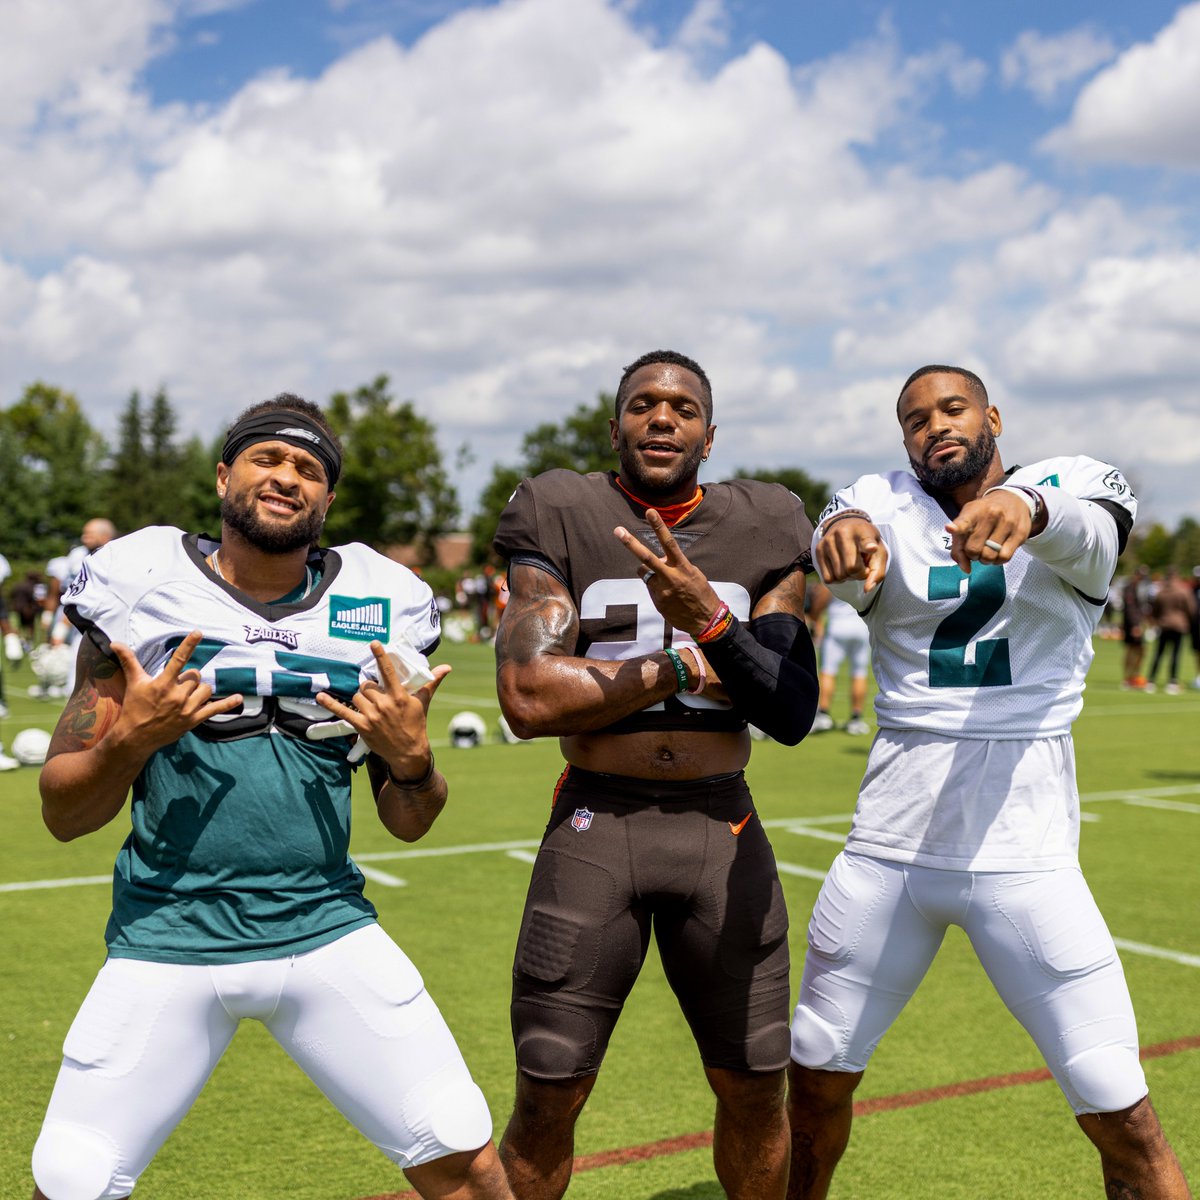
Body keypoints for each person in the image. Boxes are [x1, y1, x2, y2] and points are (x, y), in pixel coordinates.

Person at [30, 395, 512, 1200]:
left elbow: (410, 820)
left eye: (308, 468)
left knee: (460, 1151)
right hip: (167, 932)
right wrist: (131, 740)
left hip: (323, 927)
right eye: (267, 458)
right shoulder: (140, 585)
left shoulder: (381, 601)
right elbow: (63, 812)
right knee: (73, 1179)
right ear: (225, 476)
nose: (286, 477)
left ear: (326, 501)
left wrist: (415, 763)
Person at [787, 365, 1190, 1200]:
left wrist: (1028, 510)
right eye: (914, 418)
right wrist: (841, 527)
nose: (934, 425)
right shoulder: (880, 497)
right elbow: (844, 512)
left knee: (1122, 1112)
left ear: (993, 415)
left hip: (1026, 856)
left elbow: (1090, 526)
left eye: (953, 408)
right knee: (815, 1081)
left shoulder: (1068, 484)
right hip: (887, 850)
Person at [492, 349, 820, 1200]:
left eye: (681, 407)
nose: (661, 418)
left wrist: (708, 620)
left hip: (722, 827)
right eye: (642, 405)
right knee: (551, 1084)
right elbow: (528, 696)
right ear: (615, 427)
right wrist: (684, 664)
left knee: (755, 1081)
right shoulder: (564, 508)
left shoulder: (768, 521)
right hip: (600, 823)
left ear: (711, 433)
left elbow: (788, 707)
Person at [807, 582, 871, 735]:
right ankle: (856, 718)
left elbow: (823, 595)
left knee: (828, 671)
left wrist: (814, 616)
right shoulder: (867, 570)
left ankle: (823, 714)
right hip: (862, 625)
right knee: (859, 672)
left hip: (838, 624)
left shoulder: (838, 568)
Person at [1144, 567, 1196, 695]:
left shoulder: (1162, 592)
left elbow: (1155, 610)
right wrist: (1187, 621)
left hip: (1164, 625)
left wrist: (1157, 620)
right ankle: (1172, 682)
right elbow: (1191, 609)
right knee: (1175, 654)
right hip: (1179, 626)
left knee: (1158, 653)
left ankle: (1151, 681)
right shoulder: (1183, 591)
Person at [1121, 565, 1151, 690]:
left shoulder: (1140, 587)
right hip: (1132, 624)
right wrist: (1135, 625)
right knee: (1132, 650)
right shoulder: (1130, 587)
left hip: (1138, 623)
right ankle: (1128, 677)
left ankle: (1133, 676)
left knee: (1139, 650)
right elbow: (1130, 608)